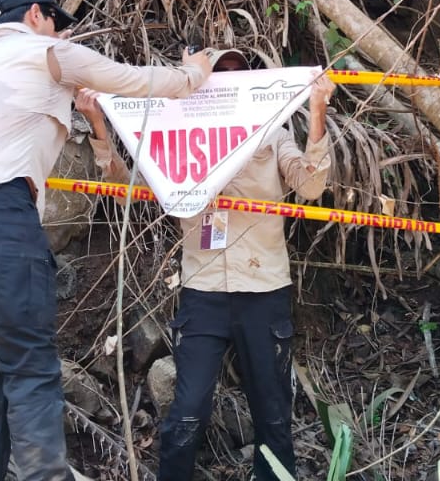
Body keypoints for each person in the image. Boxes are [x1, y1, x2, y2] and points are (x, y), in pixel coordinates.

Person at [0, 0, 213, 481]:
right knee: (30, 370)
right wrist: (192, 74)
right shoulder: (47, 53)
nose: (60, 34)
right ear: (36, 15)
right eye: (56, 22)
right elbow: (135, 79)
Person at [76, 48, 334, 480]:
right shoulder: (175, 131)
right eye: (218, 74)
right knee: (188, 409)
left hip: (263, 286)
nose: (228, 80)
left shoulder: (273, 131)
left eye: (238, 74)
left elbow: (310, 185)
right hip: (204, 289)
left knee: (272, 410)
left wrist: (319, 108)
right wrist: (99, 124)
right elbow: (128, 187)